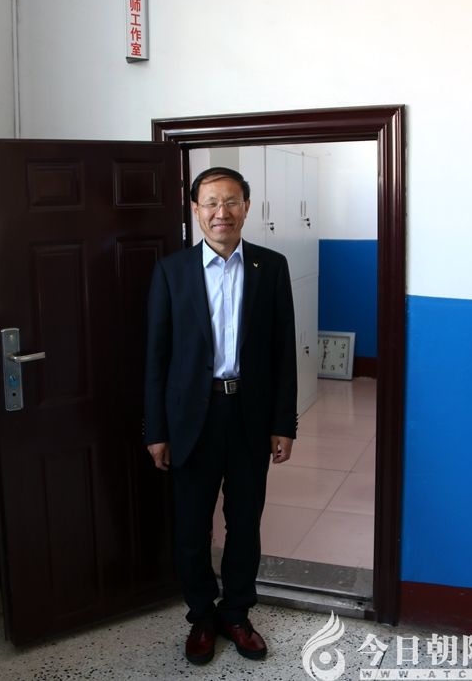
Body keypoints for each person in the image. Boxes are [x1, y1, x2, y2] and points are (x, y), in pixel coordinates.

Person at [144, 166, 297, 665]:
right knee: (191, 528)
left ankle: (236, 613)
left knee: (244, 523)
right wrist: (156, 429)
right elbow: (156, 357)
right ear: (195, 210)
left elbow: (283, 352)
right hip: (193, 417)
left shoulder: (271, 267)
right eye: (210, 202)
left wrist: (284, 423)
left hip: (250, 414)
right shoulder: (172, 271)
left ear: (246, 207)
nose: (221, 212)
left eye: (231, 201)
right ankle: (201, 616)